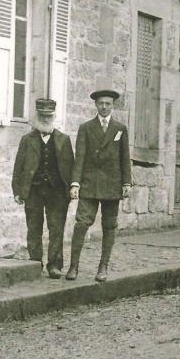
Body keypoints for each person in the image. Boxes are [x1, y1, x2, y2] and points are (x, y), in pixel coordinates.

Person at [67, 89, 131, 282]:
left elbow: (124, 158)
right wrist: (75, 183)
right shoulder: (86, 128)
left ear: (113, 106)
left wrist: (127, 182)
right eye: (101, 103)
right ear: (96, 105)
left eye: (108, 104)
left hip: (112, 184)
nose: (104, 107)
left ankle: (103, 267)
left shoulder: (120, 128)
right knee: (82, 223)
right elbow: (80, 158)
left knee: (109, 226)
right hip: (90, 183)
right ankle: (73, 266)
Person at [12, 98, 75, 278]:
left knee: (56, 228)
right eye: (42, 116)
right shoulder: (27, 140)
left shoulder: (64, 140)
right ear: (36, 116)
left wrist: (71, 189)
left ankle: (54, 265)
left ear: (54, 116)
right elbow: (19, 167)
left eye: (49, 116)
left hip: (57, 191)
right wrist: (17, 191)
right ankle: (35, 262)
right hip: (33, 190)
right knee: (34, 227)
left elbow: (70, 166)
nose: (46, 119)